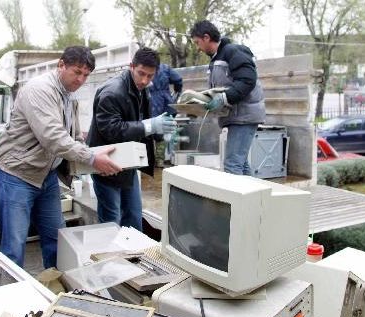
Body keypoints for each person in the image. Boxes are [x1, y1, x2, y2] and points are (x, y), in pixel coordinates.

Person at [0, 46, 122, 269]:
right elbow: (53, 138)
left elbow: (73, 137)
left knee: (57, 239)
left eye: (86, 75)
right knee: (14, 245)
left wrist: (90, 160)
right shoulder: (40, 90)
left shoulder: (67, 96)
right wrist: (92, 158)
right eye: (77, 72)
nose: (81, 79)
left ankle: (55, 286)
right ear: (61, 65)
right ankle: (12, 295)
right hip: (17, 174)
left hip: (46, 176)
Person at [86, 47, 177, 231]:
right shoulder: (112, 92)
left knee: (134, 216)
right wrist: (150, 125)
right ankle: (111, 257)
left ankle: (133, 257)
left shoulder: (142, 89)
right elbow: (111, 129)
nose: (144, 80)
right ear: (131, 66)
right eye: (141, 73)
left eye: (150, 76)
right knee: (111, 219)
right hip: (106, 161)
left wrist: (160, 132)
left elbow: (141, 119)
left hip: (128, 162)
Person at [190, 20, 265, 175]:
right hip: (236, 116)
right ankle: (255, 199)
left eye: (197, 43)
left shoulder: (232, 51)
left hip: (244, 116)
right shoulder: (216, 59)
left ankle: (238, 200)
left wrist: (224, 98)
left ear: (206, 37)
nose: (198, 48)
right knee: (241, 164)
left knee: (232, 165)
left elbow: (247, 80)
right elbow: (220, 87)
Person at [149, 63, 183, 166]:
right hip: (165, 102)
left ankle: (149, 161)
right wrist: (177, 90)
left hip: (149, 100)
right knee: (162, 130)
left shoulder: (145, 67)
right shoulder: (165, 67)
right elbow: (178, 80)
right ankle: (160, 160)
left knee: (147, 130)